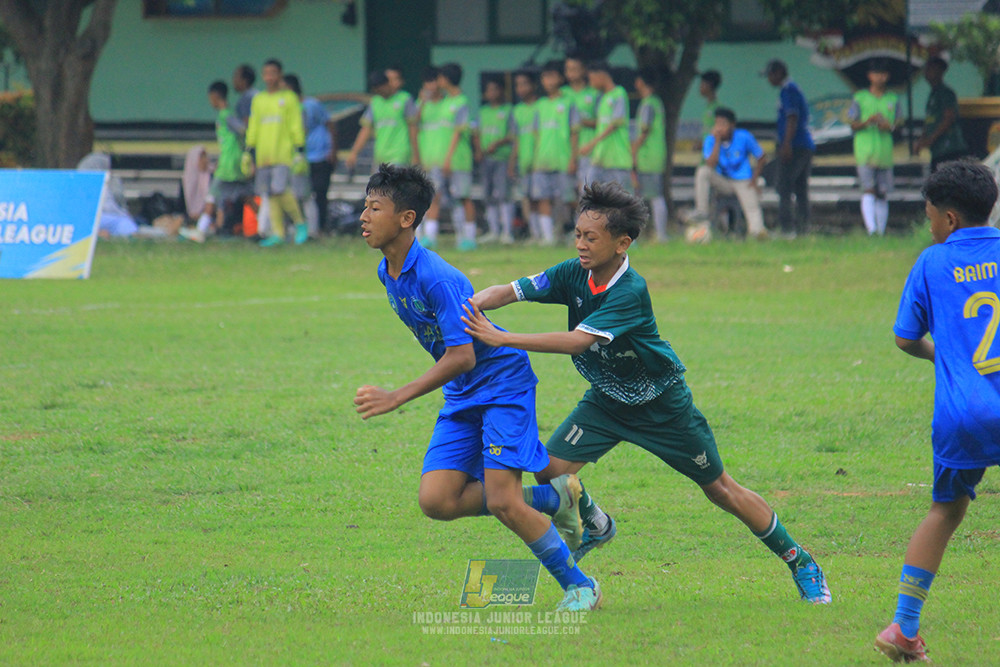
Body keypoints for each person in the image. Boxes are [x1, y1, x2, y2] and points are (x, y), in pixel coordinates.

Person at [461, 181, 831, 605]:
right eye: (577, 234)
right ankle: (595, 523)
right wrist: (471, 305)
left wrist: (500, 338)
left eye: (591, 238)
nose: (580, 244)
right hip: (606, 402)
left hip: (662, 407)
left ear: (622, 243)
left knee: (721, 490)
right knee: (548, 470)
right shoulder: (571, 273)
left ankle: (800, 560)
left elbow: (579, 341)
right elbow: (510, 290)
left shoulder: (629, 291)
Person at [354, 162, 602, 612]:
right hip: (465, 392)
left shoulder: (438, 278)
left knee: (506, 503)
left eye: (375, 208)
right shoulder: (387, 272)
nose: (363, 216)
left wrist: (396, 396)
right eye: (364, 206)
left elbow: (463, 354)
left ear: (407, 219)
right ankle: (555, 496)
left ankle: (580, 585)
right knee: (437, 500)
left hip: (501, 384)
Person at [874, 160, 1000, 663]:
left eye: (929, 218)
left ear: (948, 219)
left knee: (945, 512)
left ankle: (904, 628)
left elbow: (905, 337)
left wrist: (941, 355)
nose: (929, 227)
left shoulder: (932, 262)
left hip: (962, 413)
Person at [244, 58, 308, 247]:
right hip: (264, 154)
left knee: (280, 190)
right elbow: (253, 125)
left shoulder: (289, 98)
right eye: (266, 74)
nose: (269, 77)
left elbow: (296, 124)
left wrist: (299, 149)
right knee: (270, 193)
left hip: (283, 154)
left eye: (273, 73)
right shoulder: (259, 99)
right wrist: (249, 150)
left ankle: (300, 224)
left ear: (280, 75)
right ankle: (278, 233)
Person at [182, 81, 253, 243]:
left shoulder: (225, 115)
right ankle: (267, 226)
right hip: (235, 162)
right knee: (247, 196)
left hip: (229, 163)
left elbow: (242, 129)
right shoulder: (228, 114)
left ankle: (200, 230)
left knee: (212, 195)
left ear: (215, 97)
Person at [694, 107, 768, 240]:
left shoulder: (743, 136)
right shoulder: (711, 139)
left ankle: (757, 232)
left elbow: (761, 157)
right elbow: (710, 164)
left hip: (743, 181)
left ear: (732, 125)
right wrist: (717, 141)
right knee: (703, 172)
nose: (719, 128)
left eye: (723, 124)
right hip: (723, 181)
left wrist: (754, 178)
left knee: (752, 207)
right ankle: (702, 214)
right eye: (717, 124)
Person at [848, 59, 901, 237]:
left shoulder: (892, 99)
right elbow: (852, 123)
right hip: (864, 151)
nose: (880, 77)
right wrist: (867, 121)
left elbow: (899, 123)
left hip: (884, 152)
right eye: (876, 73)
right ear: (870, 76)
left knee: (883, 192)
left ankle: (881, 229)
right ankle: (872, 230)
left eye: (883, 74)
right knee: (868, 188)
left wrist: (889, 125)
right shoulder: (860, 98)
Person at [764, 59, 815, 239]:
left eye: (770, 75)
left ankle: (787, 229)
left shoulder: (788, 90)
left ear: (778, 73)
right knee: (800, 188)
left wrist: (786, 144)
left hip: (795, 145)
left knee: (784, 186)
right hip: (804, 145)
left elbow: (791, 117)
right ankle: (803, 228)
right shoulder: (793, 89)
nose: (769, 80)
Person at [284, 73, 337, 236]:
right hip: (301, 159)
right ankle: (304, 228)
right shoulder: (286, 108)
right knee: (301, 195)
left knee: (320, 193)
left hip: (320, 155)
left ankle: (321, 227)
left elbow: (329, 124)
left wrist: (333, 150)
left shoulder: (312, 105)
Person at [530, 60, 577, 246]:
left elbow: (574, 132)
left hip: (563, 160)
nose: (548, 81)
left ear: (560, 78)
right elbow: (536, 135)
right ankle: (548, 238)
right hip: (542, 161)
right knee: (543, 198)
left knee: (569, 199)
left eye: (552, 76)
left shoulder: (568, 103)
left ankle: (575, 233)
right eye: (545, 77)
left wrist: (573, 159)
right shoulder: (540, 105)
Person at [346, 71, 419, 173]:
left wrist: (415, 154)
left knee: (393, 187)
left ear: (387, 84)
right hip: (380, 157)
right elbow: (366, 129)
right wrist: (354, 152)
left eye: (381, 89)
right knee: (378, 188)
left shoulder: (404, 99)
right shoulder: (375, 102)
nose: (380, 92)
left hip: (399, 155)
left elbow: (413, 128)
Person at [438, 63, 478, 251]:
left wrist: (448, 158)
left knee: (464, 197)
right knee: (452, 199)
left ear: (445, 79)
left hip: (459, 160)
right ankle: (460, 236)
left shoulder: (462, 102)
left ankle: (470, 238)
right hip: (445, 159)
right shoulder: (444, 102)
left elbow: (457, 133)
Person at [474, 75, 515, 244]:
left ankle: (507, 232)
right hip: (486, 159)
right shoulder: (482, 112)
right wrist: (478, 150)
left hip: (502, 158)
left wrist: (498, 143)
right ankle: (493, 231)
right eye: (488, 90)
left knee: (504, 194)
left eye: (495, 89)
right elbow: (476, 133)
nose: (491, 93)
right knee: (488, 195)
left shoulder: (507, 111)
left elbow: (513, 135)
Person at [580, 61, 632, 191]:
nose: (591, 83)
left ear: (602, 75)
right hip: (600, 157)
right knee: (587, 192)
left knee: (619, 199)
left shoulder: (619, 94)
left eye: (591, 79)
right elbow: (600, 125)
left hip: (617, 158)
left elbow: (614, 125)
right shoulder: (603, 98)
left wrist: (591, 144)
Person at [914, 57, 969, 172]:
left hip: (949, 149)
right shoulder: (932, 94)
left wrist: (931, 139)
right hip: (937, 151)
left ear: (940, 71)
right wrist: (921, 140)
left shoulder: (946, 93)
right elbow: (929, 120)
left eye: (931, 69)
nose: (927, 72)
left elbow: (948, 118)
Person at [631, 69, 668, 242]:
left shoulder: (648, 104)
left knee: (654, 196)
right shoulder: (655, 102)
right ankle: (653, 234)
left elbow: (644, 130)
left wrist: (634, 149)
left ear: (640, 82)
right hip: (654, 155)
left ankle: (661, 235)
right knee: (651, 195)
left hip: (649, 156)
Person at [416, 66, 448, 248]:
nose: (431, 85)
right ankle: (419, 235)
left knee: (435, 197)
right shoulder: (421, 104)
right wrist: (421, 102)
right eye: (428, 82)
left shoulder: (446, 104)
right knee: (419, 197)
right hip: (423, 159)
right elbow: (414, 123)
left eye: (434, 81)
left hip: (439, 159)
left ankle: (430, 237)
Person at [510, 68, 541, 242]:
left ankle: (551, 232)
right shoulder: (517, 111)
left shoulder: (541, 106)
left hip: (540, 162)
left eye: (524, 84)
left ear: (533, 85)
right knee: (526, 199)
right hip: (524, 162)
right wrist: (512, 163)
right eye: (517, 85)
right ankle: (535, 234)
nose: (520, 88)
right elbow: (516, 140)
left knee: (540, 199)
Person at [562, 55, 599, 191]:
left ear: (584, 70)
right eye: (568, 69)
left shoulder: (594, 93)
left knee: (586, 191)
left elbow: (602, 122)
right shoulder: (562, 94)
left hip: (587, 150)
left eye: (575, 69)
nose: (571, 72)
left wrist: (582, 122)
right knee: (567, 195)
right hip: (565, 152)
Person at [697, 70, 722, 154]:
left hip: (713, 156)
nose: (699, 87)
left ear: (709, 85)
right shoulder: (707, 107)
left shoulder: (717, 108)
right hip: (706, 155)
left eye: (702, 84)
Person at [231, 63, 258, 135]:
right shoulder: (258, 95)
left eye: (236, 76)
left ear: (244, 80)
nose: (233, 80)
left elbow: (246, 126)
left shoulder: (247, 98)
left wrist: (229, 120)